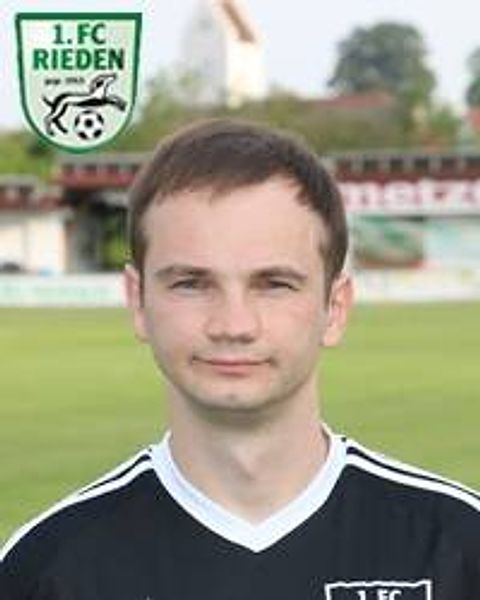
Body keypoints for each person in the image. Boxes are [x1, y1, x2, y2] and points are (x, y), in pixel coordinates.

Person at [1, 119, 478, 600]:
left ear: (335, 308)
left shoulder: (459, 548)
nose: (234, 325)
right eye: (191, 284)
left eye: (274, 284)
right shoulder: (44, 570)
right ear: (137, 302)